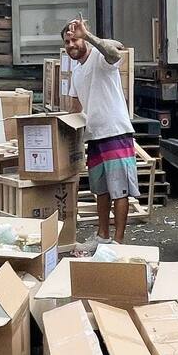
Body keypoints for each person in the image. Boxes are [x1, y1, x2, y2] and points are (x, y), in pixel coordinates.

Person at [62, 15, 137, 246]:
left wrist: (88, 36)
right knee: (101, 191)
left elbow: (115, 53)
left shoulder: (99, 58)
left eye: (75, 39)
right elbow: (75, 107)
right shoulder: (76, 72)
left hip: (115, 132)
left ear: (84, 39)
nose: (72, 45)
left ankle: (118, 242)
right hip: (94, 136)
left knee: (119, 190)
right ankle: (102, 237)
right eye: (67, 42)